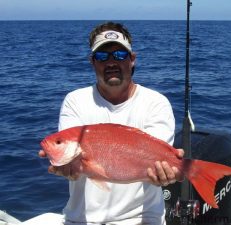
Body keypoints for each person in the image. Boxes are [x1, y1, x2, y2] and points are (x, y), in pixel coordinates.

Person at [39, 21, 184, 225]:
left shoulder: (156, 102)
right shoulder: (75, 101)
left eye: (120, 55)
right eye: (102, 56)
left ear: (132, 59)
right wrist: (68, 167)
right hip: (81, 220)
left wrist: (171, 171)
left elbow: (156, 159)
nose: (111, 62)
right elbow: (74, 162)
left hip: (142, 219)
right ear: (92, 62)